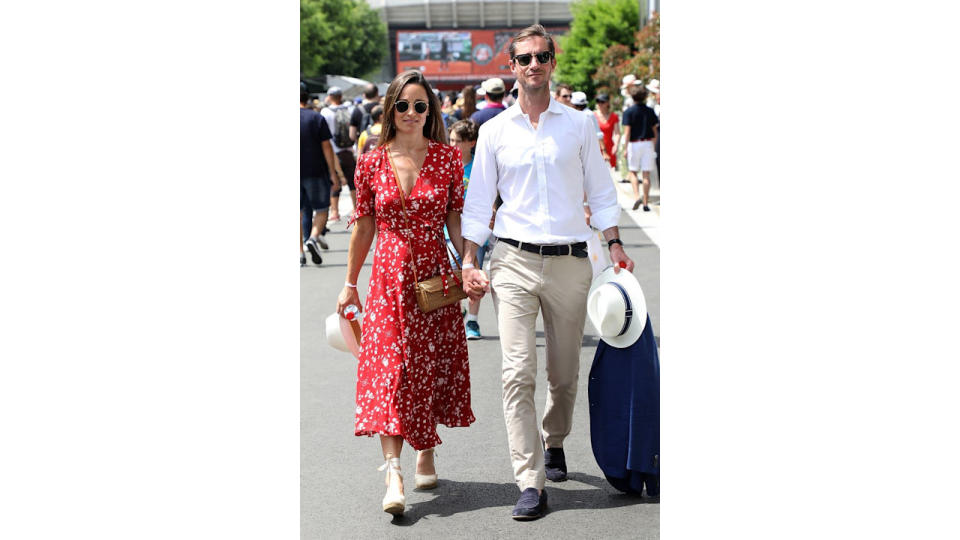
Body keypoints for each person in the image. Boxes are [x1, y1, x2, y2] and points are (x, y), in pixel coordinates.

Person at [460, 24, 635, 521]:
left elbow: (601, 192)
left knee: (563, 373)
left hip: (571, 261)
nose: (533, 64)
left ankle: (554, 439)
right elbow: (478, 205)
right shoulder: (494, 131)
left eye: (542, 56)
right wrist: (470, 259)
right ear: (511, 67)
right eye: (524, 58)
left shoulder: (578, 125)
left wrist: (615, 244)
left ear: (552, 62)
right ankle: (530, 481)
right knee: (517, 372)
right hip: (512, 260)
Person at [336, 69, 475, 516]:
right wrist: (349, 283)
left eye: (421, 106)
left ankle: (426, 450)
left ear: (430, 111)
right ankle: (393, 471)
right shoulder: (371, 162)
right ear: (389, 110)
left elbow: (454, 219)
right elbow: (363, 227)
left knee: (429, 365)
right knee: (391, 370)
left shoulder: (447, 159)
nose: (412, 113)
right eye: (404, 105)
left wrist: (468, 263)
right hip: (389, 280)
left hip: (434, 277)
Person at [446, 120, 487, 339]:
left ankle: (472, 321)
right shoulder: (444, 166)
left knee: (474, 273)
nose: (453, 145)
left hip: (474, 232)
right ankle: (458, 309)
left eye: (458, 141)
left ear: (471, 143)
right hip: (448, 231)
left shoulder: (479, 167)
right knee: (455, 275)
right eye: (451, 140)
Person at [301, 83, 344, 266]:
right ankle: (313, 237)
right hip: (316, 171)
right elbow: (327, 147)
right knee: (321, 208)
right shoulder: (316, 118)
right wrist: (333, 172)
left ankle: (299, 253)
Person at [319, 86, 357, 222]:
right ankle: (355, 208)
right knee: (353, 181)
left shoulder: (325, 112)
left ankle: (334, 212)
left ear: (330, 96)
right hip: (349, 150)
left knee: (334, 182)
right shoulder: (350, 108)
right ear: (341, 96)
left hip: (333, 151)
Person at [620, 85, 659, 211]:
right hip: (647, 143)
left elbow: (627, 132)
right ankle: (646, 203)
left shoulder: (628, 112)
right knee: (646, 174)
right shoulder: (650, 111)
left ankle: (637, 196)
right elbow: (654, 131)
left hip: (634, 143)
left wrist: (625, 148)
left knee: (633, 172)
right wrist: (653, 144)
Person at [594, 93, 620, 171]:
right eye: (598, 101)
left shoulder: (614, 116)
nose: (600, 104)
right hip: (596, 148)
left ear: (607, 103)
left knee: (609, 173)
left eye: (602, 102)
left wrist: (616, 145)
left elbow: (617, 133)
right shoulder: (593, 115)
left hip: (609, 147)